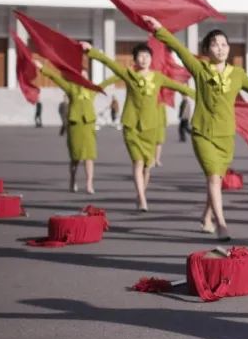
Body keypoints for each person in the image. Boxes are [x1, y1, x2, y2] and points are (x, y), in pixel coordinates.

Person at [143, 17, 248, 241]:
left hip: (226, 135)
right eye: (215, 44)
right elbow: (179, 48)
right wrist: (159, 29)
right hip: (202, 133)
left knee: (215, 180)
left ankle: (206, 216)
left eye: (224, 44)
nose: (221, 48)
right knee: (214, 178)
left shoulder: (238, 74)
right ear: (206, 49)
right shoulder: (200, 68)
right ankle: (221, 224)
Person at [83, 42, 193, 212]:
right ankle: (142, 199)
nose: (144, 59)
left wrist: (205, 96)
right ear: (135, 60)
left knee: (148, 166)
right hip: (131, 125)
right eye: (140, 56)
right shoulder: (129, 74)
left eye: (147, 56)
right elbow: (109, 62)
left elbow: (179, 87)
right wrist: (91, 51)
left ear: (151, 59)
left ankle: (141, 193)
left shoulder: (158, 77)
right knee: (138, 162)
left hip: (150, 127)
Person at [35, 60, 102, 194]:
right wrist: (42, 68)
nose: (83, 77)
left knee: (90, 157)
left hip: (88, 125)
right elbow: (55, 78)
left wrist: (126, 73)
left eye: (85, 75)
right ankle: (73, 180)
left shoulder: (93, 89)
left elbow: (109, 81)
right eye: (80, 75)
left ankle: (89, 184)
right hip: (75, 126)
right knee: (75, 158)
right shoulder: (71, 88)